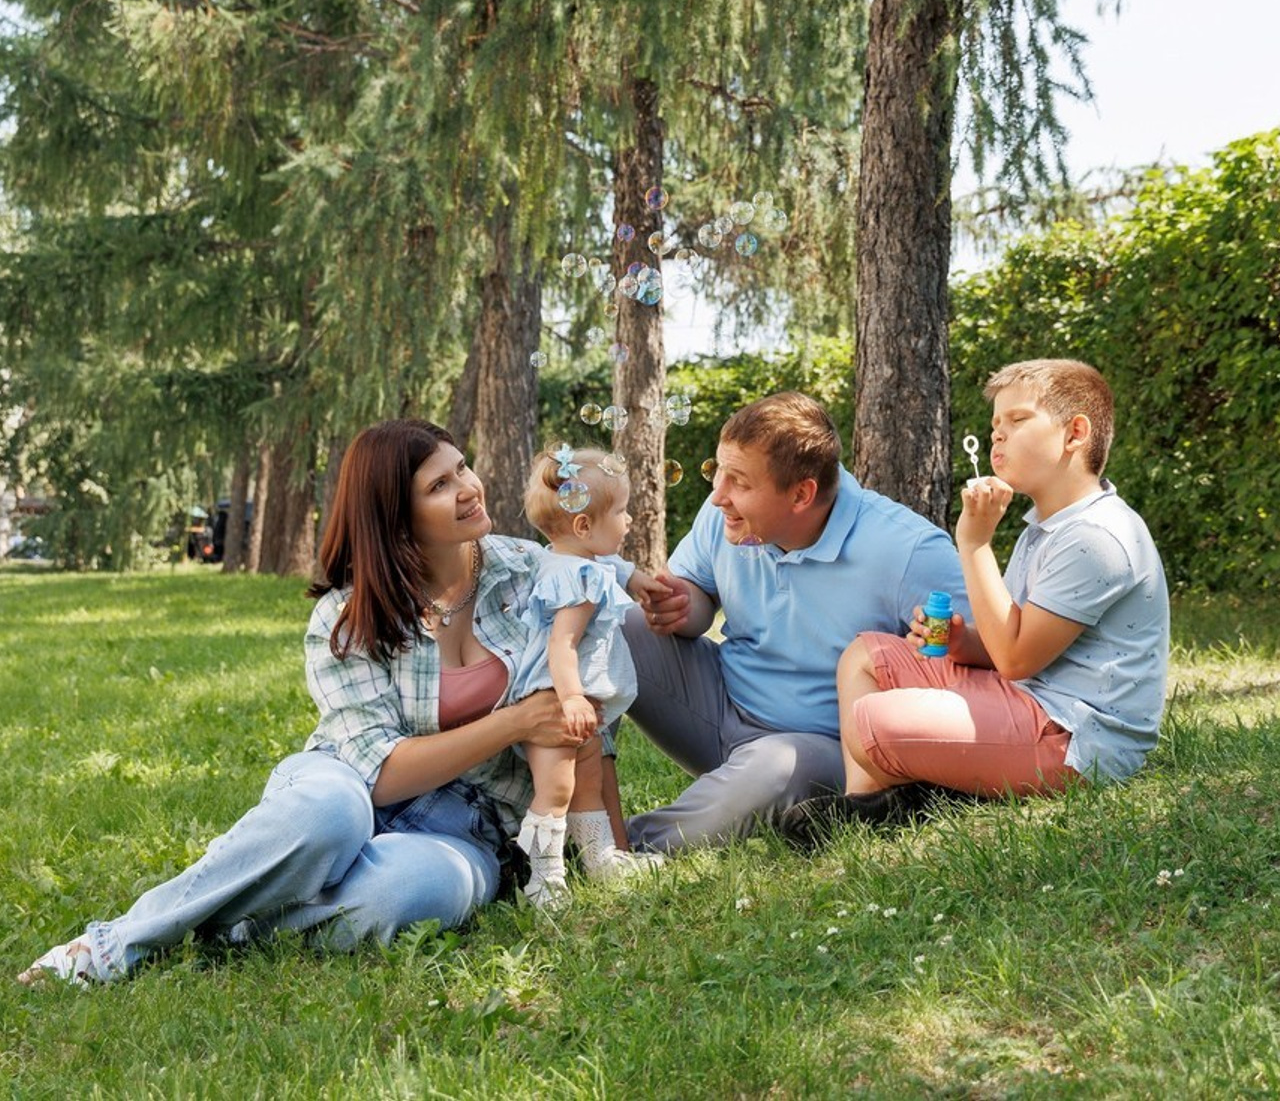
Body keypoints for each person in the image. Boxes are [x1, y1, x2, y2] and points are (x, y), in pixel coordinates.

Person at [17, 419, 656, 986]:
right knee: (328, 815)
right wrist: (514, 722)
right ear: (394, 515)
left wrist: (612, 849)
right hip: (348, 786)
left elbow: (589, 715)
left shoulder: (534, 572)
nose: (469, 488)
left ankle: (236, 917)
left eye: (463, 468)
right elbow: (380, 775)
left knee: (414, 889)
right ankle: (116, 945)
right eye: (439, 485)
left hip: (469, 829)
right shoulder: (345, 616)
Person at [781, 359, 1170, 844]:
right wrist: (962, 642)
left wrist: (975, 543)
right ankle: (868, 805)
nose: (997, 435)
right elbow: (1014, 641)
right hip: (1031, 699)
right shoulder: (1045, 528)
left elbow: (1016, 659)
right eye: (994, 425)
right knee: (864, 656)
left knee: (873, 722)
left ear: (1075, 433)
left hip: (1076, 739)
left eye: (1018, 420)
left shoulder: (1097, 537)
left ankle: (913, 796)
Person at [620, 391, 969, 853]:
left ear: (802, 494)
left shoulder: (909, 550)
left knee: (776, 766)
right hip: (720, 706)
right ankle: (562, 811)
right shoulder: (725, 515)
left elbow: (979, 660)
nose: (718, 495)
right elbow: (698, 592)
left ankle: (616, 848)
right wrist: (684, 606)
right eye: (720, 471)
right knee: (613, 629)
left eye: (739, 482)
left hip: (817, 747)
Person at [506, 445, 658, 905]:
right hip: (555, 702)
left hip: (573, 703)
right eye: (621, 511)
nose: (629, 520)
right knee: (556, 790)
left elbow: (611, 565)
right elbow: (562, 643)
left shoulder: (570, 559)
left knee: (587, 783)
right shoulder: (581, 582)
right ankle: (543, 877)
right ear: (584, 526)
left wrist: (636, 579)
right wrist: (571, 698)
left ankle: (601, 857)